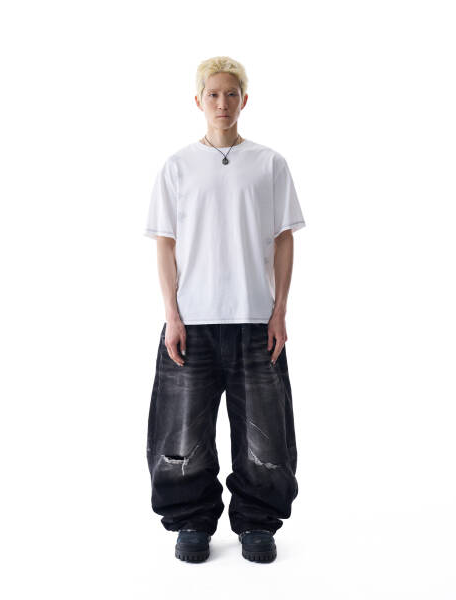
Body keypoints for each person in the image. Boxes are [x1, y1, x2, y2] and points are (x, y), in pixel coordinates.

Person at [143, 56, 306, 563]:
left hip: (256, 319)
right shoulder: (177, 166)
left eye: (231, 93)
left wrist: (279, 310)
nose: (222, 103)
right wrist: (172, 315)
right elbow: (165, 243)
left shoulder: (269, 164)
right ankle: (192, 522)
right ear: (198, 100)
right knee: (182, 430)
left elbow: (283, 239)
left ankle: (258, 523)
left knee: (265, 431)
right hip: (192, 321)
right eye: (213, 94)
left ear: (244, 100)